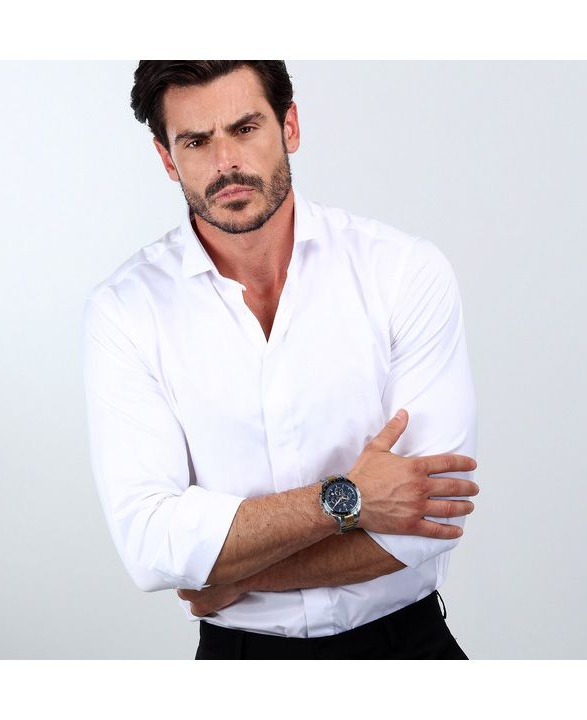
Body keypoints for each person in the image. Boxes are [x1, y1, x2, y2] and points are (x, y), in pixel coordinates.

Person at [81, 61, 479, 660]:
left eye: (245, 129)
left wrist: (238, 575)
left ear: (289, 126)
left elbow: (429, 521)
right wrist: (349, 498)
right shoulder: (126, 311)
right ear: (167, 157)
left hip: (407, 645)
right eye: (196, 142)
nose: (225, 163)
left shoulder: (402, 271)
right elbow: (150, 546)